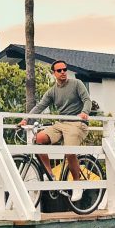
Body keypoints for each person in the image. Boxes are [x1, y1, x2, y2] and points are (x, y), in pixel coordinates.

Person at [19, 60, 92, 202]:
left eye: (65, 69)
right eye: (59, 70)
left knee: (69, 151)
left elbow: (87, 100)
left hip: (77, 123)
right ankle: (50, 174)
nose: (63, 72)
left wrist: (84, 112)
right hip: (61, 123)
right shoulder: (52, 91)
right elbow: (39, 106)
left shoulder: (77, 84)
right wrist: (25, 120)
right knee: (38, 139)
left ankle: (78, 185)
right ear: (54, 73)